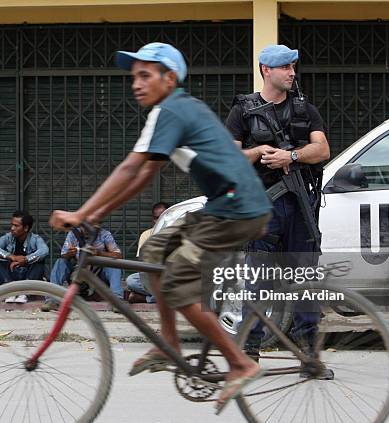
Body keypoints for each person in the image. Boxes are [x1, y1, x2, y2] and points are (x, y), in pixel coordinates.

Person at [48, 42, 272, 413]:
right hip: (221, 206)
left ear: (169, 79)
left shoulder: (173, 110)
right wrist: (98, 213)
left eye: (145, 75)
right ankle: (168, 344)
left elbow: (128, 168)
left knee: (176, 281)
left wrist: (82, 211)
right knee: (154, 250)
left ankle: (240, 361)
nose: (136, 83)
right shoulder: (167, 112)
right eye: (134, 76)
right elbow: (145, 173)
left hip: (239, 209)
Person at [224, 44, 332, 378]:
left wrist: (292, 157)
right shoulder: (243, 111)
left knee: (305, 281)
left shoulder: (305, 110)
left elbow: (322, 149)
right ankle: (249, 353)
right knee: (260, 282)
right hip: (263, 207)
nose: (292, 72)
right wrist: (257, 152)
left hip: (300, 207)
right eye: (285, 67)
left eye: (293, 67)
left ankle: (309, 358)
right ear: (265, 70)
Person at [40, 225, 123, 311]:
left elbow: (118, 255)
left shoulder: (104, 234)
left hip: (98, 275)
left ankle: (117, 301)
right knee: (60, 262)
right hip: (78, 274)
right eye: (85, 226)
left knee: (114, 264)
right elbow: (64, 254)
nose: (87, 230)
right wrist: (70, 253)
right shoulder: (73, 234)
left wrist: (99, 253)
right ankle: (52, 300)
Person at [0, 210, 49, 303]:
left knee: (40, 261)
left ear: (26, 228)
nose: (12, 228)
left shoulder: (35, 239)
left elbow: (44, 251)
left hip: (28, 275)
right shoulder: (8, 237)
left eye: (16, 226)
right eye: (12, 225)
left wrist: (26, 259)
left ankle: (25, 293)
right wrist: (11, 257)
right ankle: (9, 291)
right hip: (12, 274)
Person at [126, 202, 170, 303]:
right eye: (156, 218)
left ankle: (146, 298)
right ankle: (166, 297)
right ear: (153, 219)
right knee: (131, 281)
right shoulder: (146, 235)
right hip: (153, 274)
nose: (159, 221)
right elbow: (142, 263)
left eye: (162, 217)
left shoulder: (177, 232)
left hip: (171, 275)